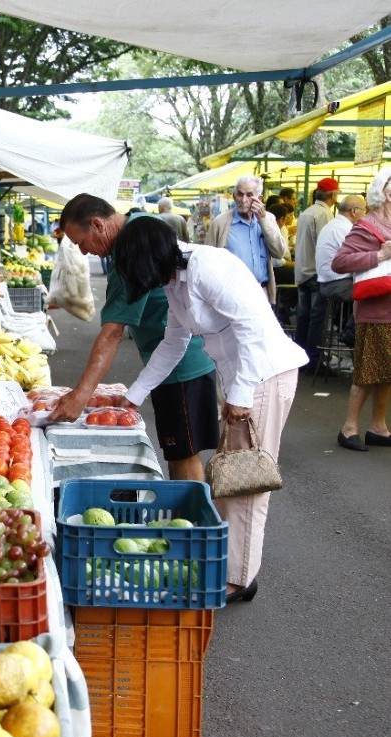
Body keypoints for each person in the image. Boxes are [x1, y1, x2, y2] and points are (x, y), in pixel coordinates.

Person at [113, 216, 308, 603]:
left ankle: (239, 578)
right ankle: (228, 565)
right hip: (243, 380)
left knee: (246, 485)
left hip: (263, 377)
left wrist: (239, 395)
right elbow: (173, 342)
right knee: (230, 482)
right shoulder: (176, 281)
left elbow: (251, 329)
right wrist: (135, 394)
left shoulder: (208, 267)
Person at [49, 194, 219, 481]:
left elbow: (113, 333)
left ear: (97, 225)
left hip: (182, 365)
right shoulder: (141, 224)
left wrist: (81, 395)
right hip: (172, 360)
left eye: (81, 242)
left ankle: (191, 522)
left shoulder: (130, 251)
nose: (84, 252)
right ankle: (186, 519)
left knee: (184, 453)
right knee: (178, 452)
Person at [331, 169, 391, 451]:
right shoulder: (367, 225)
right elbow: (340, 263)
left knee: (387, 372)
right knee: (367, 373)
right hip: (375, 312)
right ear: (386, 191)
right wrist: (379, 255)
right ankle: (349, 427)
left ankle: (378, 426)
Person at [205, 175, 287, 304]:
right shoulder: (221, 223)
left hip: (261, 292)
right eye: (240, 194)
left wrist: (263, 221)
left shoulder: (269, 218)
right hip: (231, 295)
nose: (243, 200)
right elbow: (207, 261)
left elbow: (279, 252)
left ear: (259, 198)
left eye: (249, 195)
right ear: (234, 196)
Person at [294, 177, 340, 372]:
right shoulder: (323, 214)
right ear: (333, 195)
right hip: (315, 272)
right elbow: (326, 245)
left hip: (303, 270)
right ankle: (314, 361)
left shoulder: (307, 212)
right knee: (317, 319)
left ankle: (301, 358)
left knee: (303, 318)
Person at [316, 195, 367, 350]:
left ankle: (350, 329)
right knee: (374, 294)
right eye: (365, 211)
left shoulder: (335, 225)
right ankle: (351, 333)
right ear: (354, 211)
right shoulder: (343, 228)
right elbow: (355, 258)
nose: (366, 215)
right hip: (335, 283)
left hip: (330, 281)